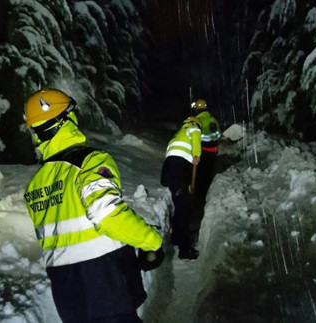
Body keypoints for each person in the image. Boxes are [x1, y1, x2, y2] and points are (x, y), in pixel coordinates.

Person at [23, 88, 163, 323]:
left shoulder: (36, 185)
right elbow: (107, 214)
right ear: (67, 119)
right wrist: (152, 241)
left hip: (66, 293)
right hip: (105, 284)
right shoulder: (90, 162)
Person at [160, 116, 202, 259]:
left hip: (169, 171)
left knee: (180, 205)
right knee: (184, 209)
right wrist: (197, 155)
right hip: (179, 169)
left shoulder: (178, 135)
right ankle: (184, 249)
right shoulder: (193, 129)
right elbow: (196, 143)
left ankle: (176, 238)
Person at [190, 99, 221, 240]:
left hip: (202, 153)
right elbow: (217, 136)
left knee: (200, 179)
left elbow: (196, 137)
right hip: (213, 154)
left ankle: (197, 202)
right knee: (207, 176)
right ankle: (203, 197)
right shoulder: (213, 120)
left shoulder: (198, 122)